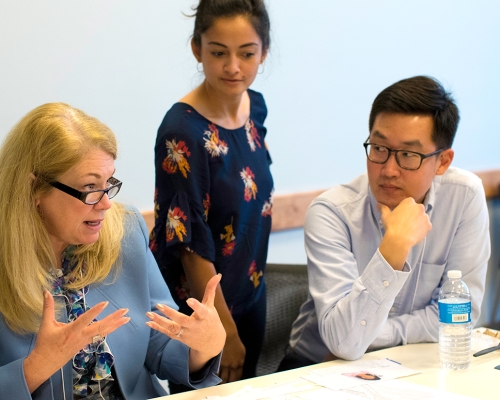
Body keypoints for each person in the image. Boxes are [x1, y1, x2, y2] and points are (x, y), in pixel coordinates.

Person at [0, 103, 226, 399]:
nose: (106, 203)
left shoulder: (125, 231)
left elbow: (159, 341)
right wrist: (36, 367)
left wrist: (203, 348)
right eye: (90, 187)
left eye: (108, 183)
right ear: (35, 191)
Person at [279, 76, 490, 370]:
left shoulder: (464, 196)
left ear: (442, 161)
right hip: (316, 367)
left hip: (412, 363)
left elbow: (460, 314)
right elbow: (344, 342)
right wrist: (395, 247)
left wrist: (373, 335)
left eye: (408, 155)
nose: (389, 170)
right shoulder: (332, 212)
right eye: (378, 148)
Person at [150, 0, 273, 386]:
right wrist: (225, 332)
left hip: (250, 295)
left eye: (247, 53)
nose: (233, 66)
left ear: (263, 53)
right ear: (197, 49)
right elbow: (188, 246)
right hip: (204, 314)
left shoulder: (256, 108)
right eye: (219, 52)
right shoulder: (181, 132)